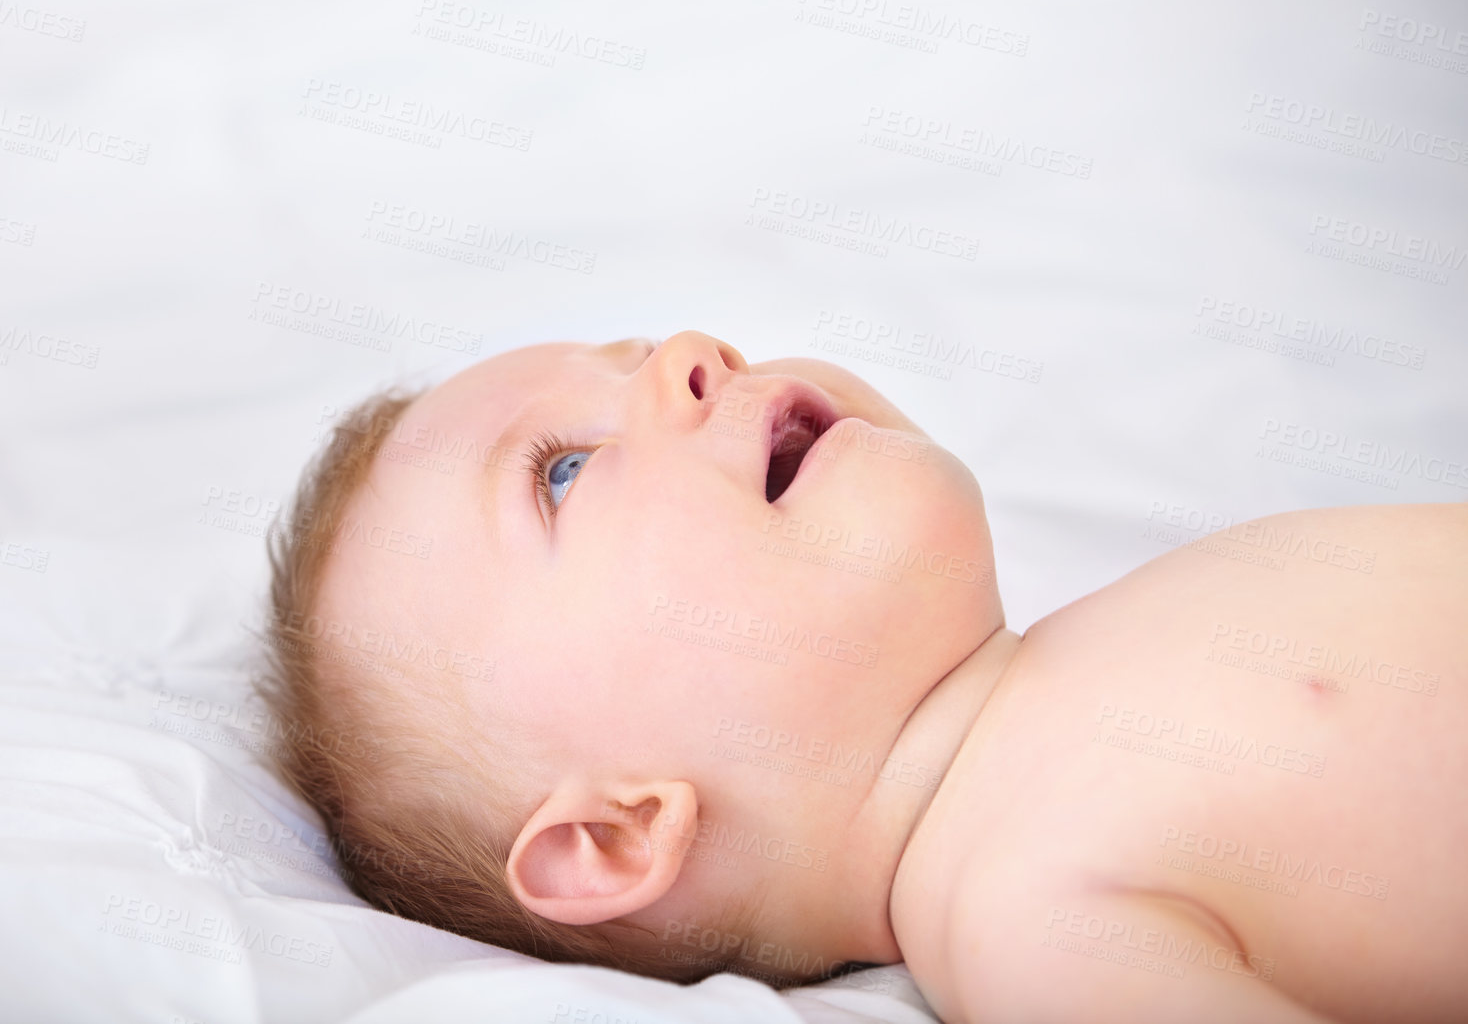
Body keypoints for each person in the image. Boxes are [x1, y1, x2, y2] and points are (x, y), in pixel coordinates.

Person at [260, 331, 1467, 1023]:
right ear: (620, 832)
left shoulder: (1100, 641)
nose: (694, 353)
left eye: (634, 348)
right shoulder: (1028, 924)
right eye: (562, 472)